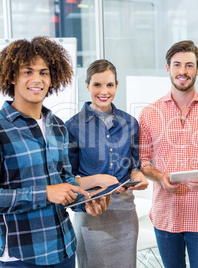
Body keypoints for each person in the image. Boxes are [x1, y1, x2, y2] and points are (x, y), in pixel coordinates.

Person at [0, 36, 116, 267]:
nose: (37, 79)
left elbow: (64, 180)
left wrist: (85, 201)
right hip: (21, 257)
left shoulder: (57, 125)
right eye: (27, 72)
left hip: (64, 250)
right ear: (12, 76)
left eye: (44, 72)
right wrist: (44, 193)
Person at [138, 40, 198, 268]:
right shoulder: (149, 114)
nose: (183, 71)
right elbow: (142, 161)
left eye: (189, 65)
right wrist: (159, 177)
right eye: (177, 64)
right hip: (165, 215)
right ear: (168, 68)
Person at [65, 59, 149, 268]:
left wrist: (138, 176)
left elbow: (134, 166)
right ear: (87, 86)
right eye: (97, 85)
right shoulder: (72, 126)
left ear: (117, 86)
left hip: (125, 213)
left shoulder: (130, 123)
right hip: (91, 211)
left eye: (109, 85)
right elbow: (68, 176)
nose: (104, 91)